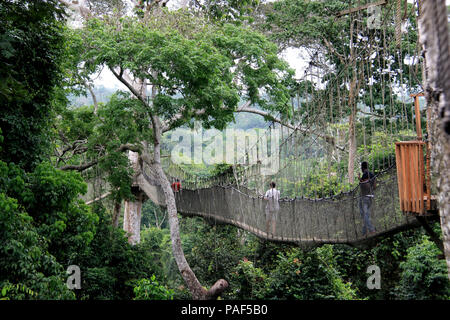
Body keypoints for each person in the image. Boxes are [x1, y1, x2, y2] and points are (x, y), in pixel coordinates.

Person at [359, 161, 376, 236]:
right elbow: (374, 186)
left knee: (364, 214)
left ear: (362, 168)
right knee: (367, 214)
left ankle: (371, 230)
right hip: (371, 197)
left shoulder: (365, 174)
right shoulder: (372, 175)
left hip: (365, 197)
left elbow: (365, 185)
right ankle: (364, 232)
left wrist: (360, 179)